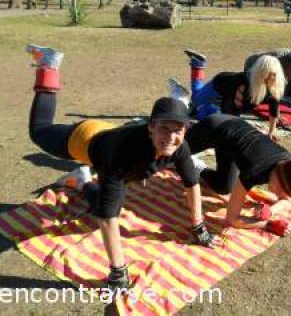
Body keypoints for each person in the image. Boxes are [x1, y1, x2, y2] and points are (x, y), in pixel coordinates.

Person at [25, 44, 217, 290]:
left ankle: (82, 179)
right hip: (86, 140)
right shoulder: (122, 160)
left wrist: (199, 227)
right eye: (163, 129)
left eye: (177, 129)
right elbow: (108, 219)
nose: (171, 137)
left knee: (101, 202)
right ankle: (49, 65)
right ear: (150, 127)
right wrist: (119, 272)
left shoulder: (180, 145)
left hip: (112, 134)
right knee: (39, 130)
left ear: (185, 130)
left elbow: (192, 183)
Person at [185, 114, 291, 236]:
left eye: (284, 190)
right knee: (169, 153)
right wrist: (268, 224)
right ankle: (186, 126)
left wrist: (271, 210)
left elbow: (285, 199)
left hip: (231, 143)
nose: (279, 193)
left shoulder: (286, 164)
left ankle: (197, 165)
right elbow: (232, 219)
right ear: (278, 173)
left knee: (223, 187)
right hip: (215, 127)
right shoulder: (254, 171)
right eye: (280, 188)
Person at [188, 53, 286, 140]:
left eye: (274, 75)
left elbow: (274, 108)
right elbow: (229, 107)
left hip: (229, 99)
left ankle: (202, 107)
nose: (271, 78)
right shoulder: (242, 83)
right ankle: (198, 64)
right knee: (196, 100)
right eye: (268, 75)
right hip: (219, 85)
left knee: (206, 115)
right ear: (260, 73)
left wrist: (272, 130)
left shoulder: (274, 86)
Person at [243, 49, 291, 115]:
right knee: (253, 91)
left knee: (267, 96)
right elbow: (272, 85)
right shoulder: (278, 59)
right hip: (253, 65)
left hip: (268, 71)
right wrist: (275, 114)